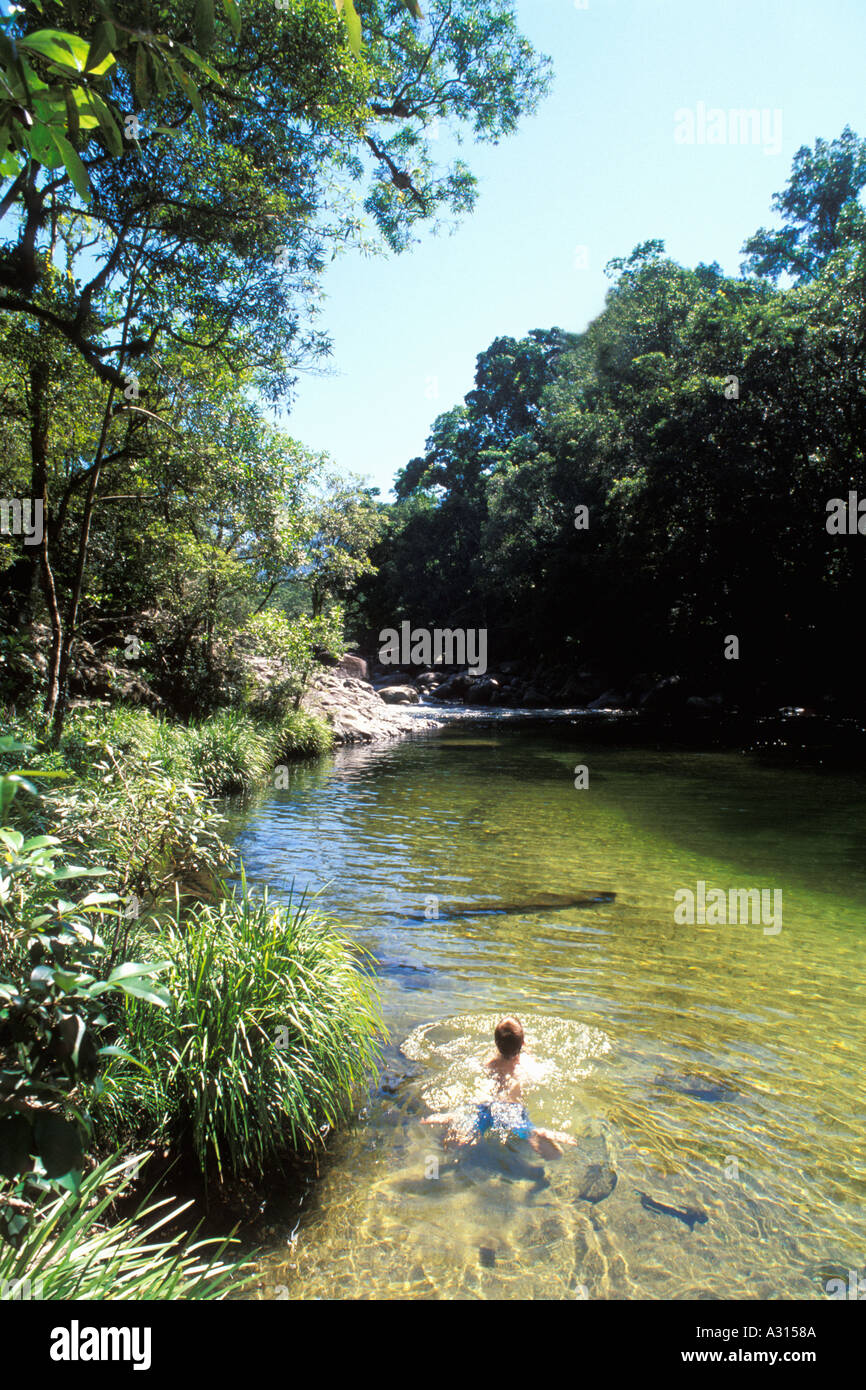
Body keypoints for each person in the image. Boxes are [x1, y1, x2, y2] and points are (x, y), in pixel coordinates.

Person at [421, 1016, 576, 1159]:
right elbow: (535, 1075)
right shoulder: (526, 1063)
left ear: (496, 1044)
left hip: (485, 1106)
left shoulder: (490, 1063)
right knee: (531, 1135)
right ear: (523, 1043)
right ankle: (534, 1132)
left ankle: (453, 1118)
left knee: (465, 1131)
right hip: (510, 1109)